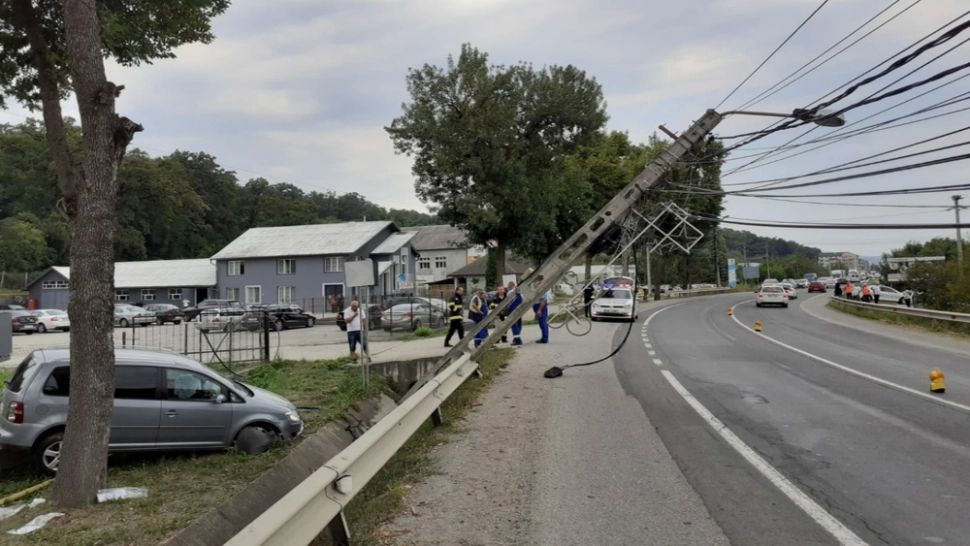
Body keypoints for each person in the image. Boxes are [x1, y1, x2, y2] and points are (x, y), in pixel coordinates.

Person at [506, 281, 524, 346]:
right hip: (519, 310)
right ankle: (516, 338)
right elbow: (523, 300)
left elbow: (508, 302)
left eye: (508, 285)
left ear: (511, 285)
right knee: (519, 324)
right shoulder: (521, 293)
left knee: (514, 325)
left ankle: (517, 340)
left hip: (512, 310)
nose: (507, 287)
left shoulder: (510, 293)